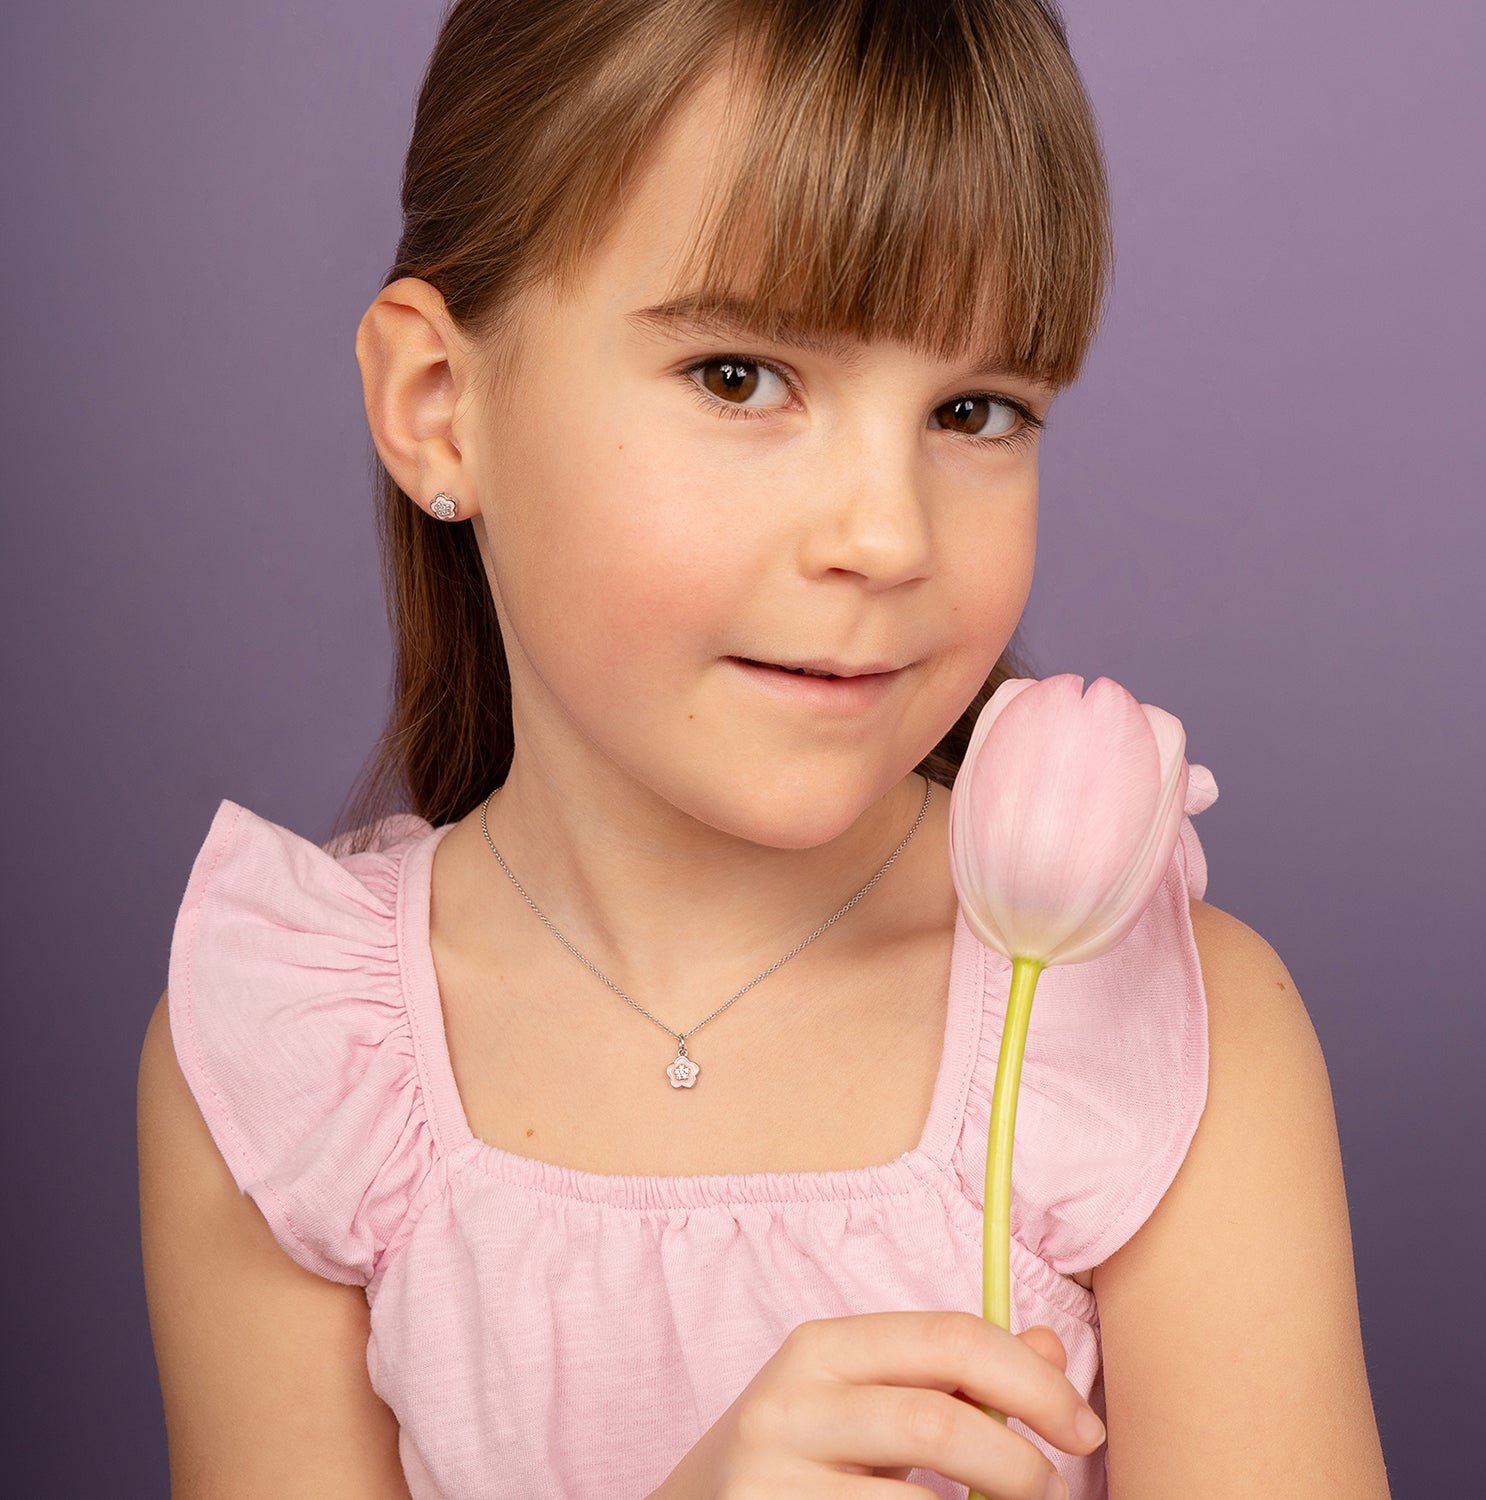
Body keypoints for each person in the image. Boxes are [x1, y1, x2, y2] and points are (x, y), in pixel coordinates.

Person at [136, 2, 1391, 1497]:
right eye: (741, 376)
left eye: (976, 409)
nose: (886, 535)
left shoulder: (1160, 1043)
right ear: (439, 407)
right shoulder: (298, 1069)